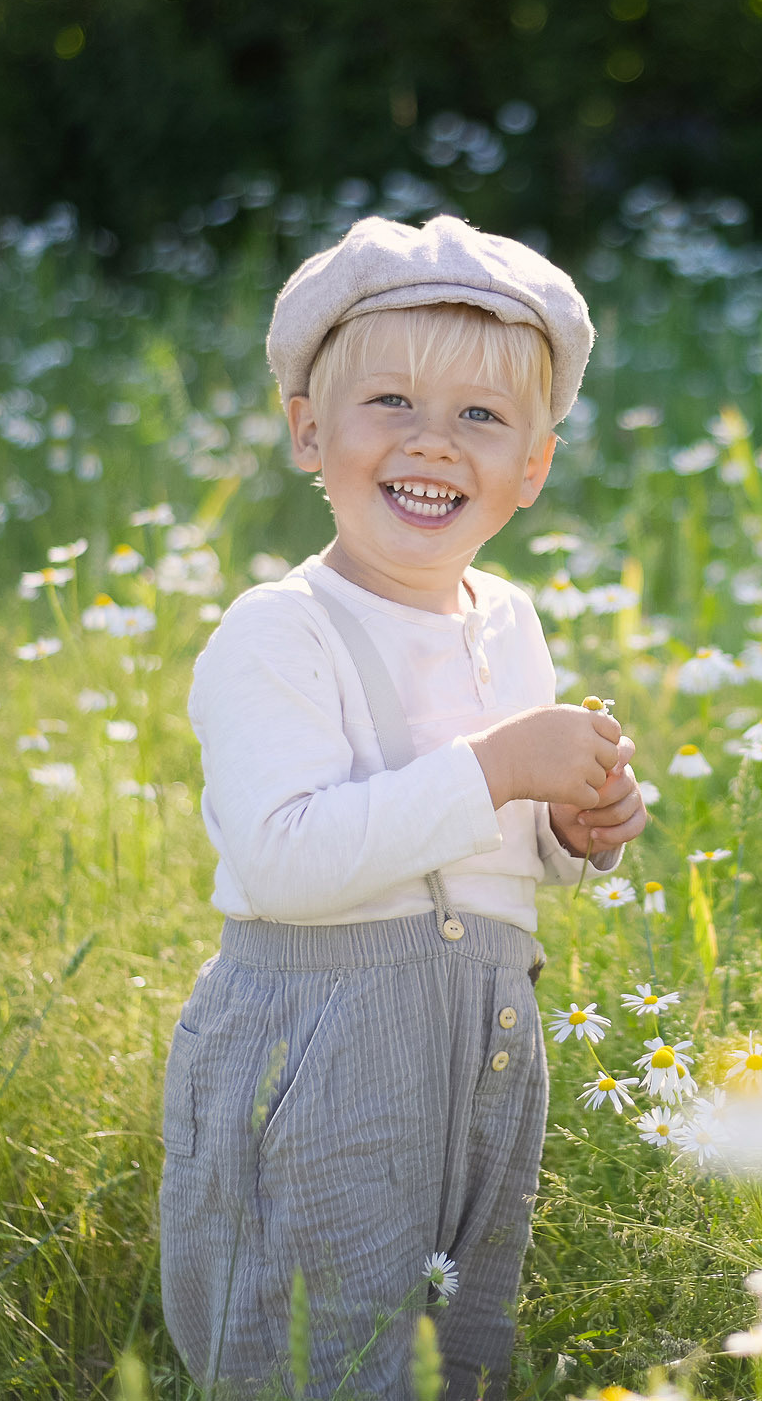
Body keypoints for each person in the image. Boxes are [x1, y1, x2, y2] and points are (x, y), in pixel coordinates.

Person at [160, 215, 649, 1399]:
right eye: (391, 402)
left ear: (531, 469)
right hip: (321, 1041)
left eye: (481, 415)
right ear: (308, 430)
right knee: (313, 1341)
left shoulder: (509, 620)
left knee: (455, 1336)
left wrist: (570, 829)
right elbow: (285, 862)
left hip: (485, 1026)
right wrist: (500, 767)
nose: (433, 441)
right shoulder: (282, 630)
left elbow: (493, 846)